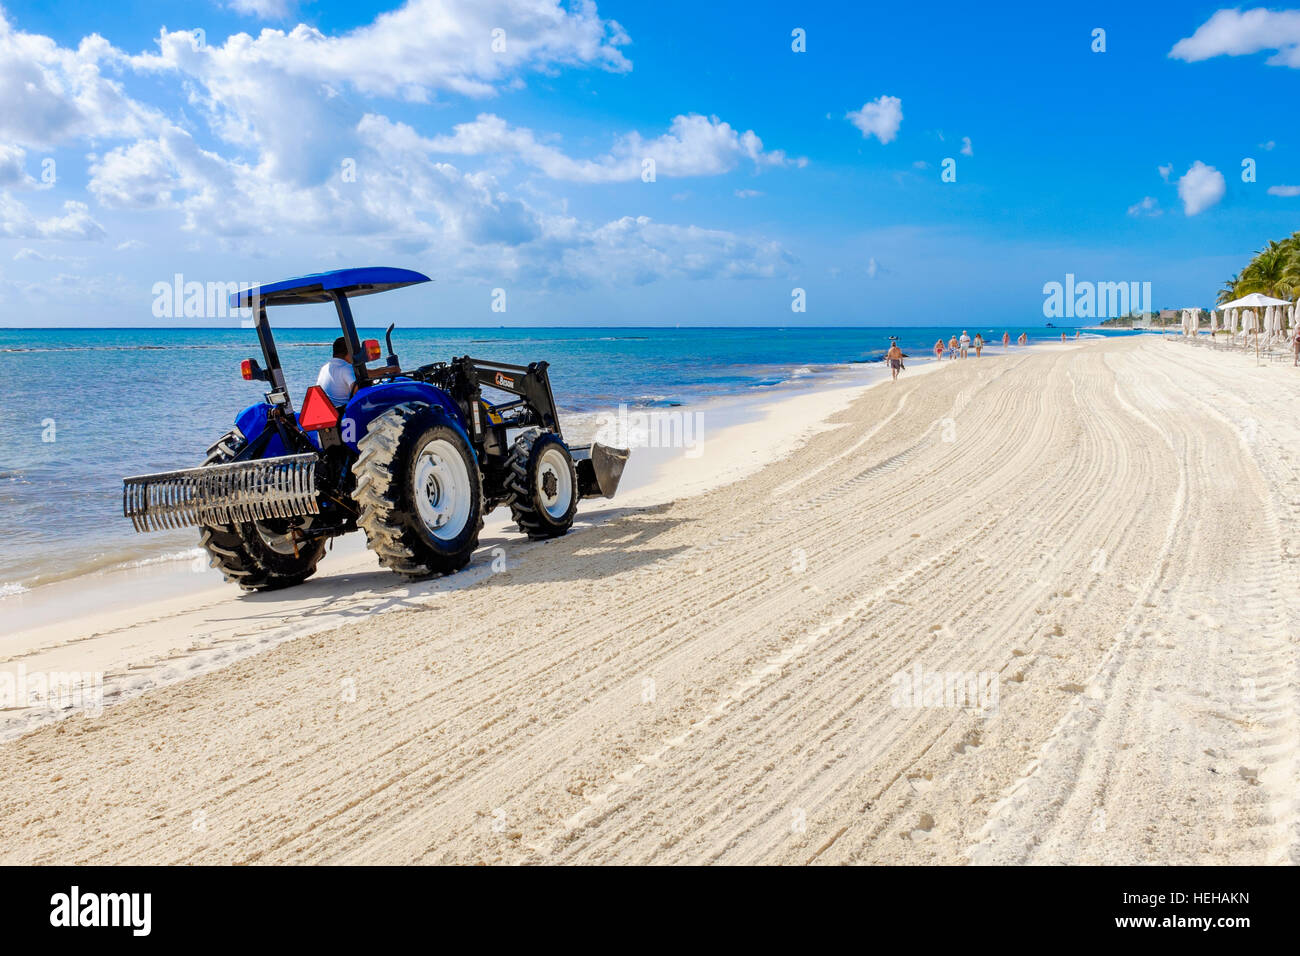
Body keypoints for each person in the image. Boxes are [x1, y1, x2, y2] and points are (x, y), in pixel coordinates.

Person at [317, 336, 399, 405]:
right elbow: (358, 393)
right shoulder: (346, 368)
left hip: (330, 410)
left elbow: (365, 373)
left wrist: (387, 369)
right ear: (350, 352)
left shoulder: (325, 368)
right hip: (343, 412)